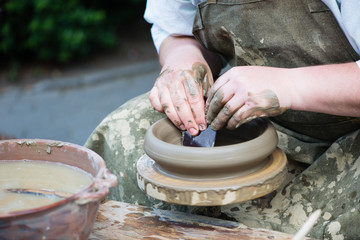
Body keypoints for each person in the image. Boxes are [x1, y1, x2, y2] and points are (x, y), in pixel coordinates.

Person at [85, 0, 360, 238]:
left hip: (350, 127)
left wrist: (292, 87)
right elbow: (177, 30)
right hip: (250, 108)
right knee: (125, 129)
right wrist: (184, 63)